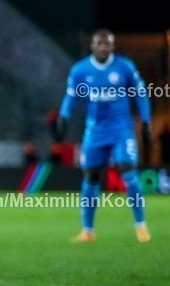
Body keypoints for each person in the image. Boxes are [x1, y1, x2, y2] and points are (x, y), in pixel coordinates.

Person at [57, 29, 152, 243]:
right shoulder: (81, 70)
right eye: (99, 44)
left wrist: (146, 121)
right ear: (92, 46)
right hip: (95, 131)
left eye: (107, 44)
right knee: (90, 177)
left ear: (112, 46)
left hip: (121, 130)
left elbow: (141, 93)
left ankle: (141, 226)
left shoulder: (124, 67)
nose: (103, 48)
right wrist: (63, 117)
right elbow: (71, 96)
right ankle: (87, 231)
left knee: (127, 170)